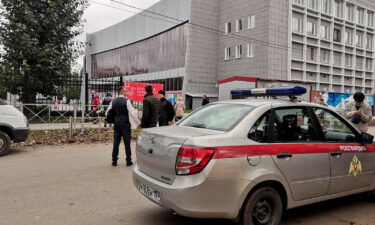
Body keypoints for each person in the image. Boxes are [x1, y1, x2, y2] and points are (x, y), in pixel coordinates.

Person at [106, 87, 140, 167]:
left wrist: (112, 120)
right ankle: (128, 160)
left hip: (116, 124)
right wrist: (138, 122)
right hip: (125, 124)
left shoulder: (113, 101)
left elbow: (107, 113)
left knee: (116, 143)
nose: (126, 92)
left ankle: (114, 161)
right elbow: (132, 113)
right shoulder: (126, 101)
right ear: (122, 92)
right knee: (127, 143)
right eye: (125, 91)